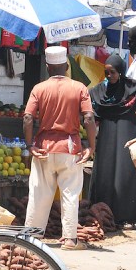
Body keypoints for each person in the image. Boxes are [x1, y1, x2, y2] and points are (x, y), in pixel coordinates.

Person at [23, 45, 96, 251]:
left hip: (44, 147)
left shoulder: (39, 88)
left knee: (39, 194)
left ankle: (32, 238)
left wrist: (29, 145)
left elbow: (28, 117)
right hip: (70, 147)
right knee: (70, 194)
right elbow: (89, 117)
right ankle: (70, 239)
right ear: (65, 66)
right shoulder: (79, 87)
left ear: (47, 67)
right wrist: (91, 146)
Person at [89, 54, 136, 228]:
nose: (109, 76)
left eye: (113, 72)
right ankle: (104, 213)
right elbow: (86, 101)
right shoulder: (100, 90)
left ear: (121, 72)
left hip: (128, 132)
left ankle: (127, 215)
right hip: (107, 134)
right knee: (106, 172)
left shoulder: (135, 87)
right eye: (106, 72)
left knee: (126, 172)